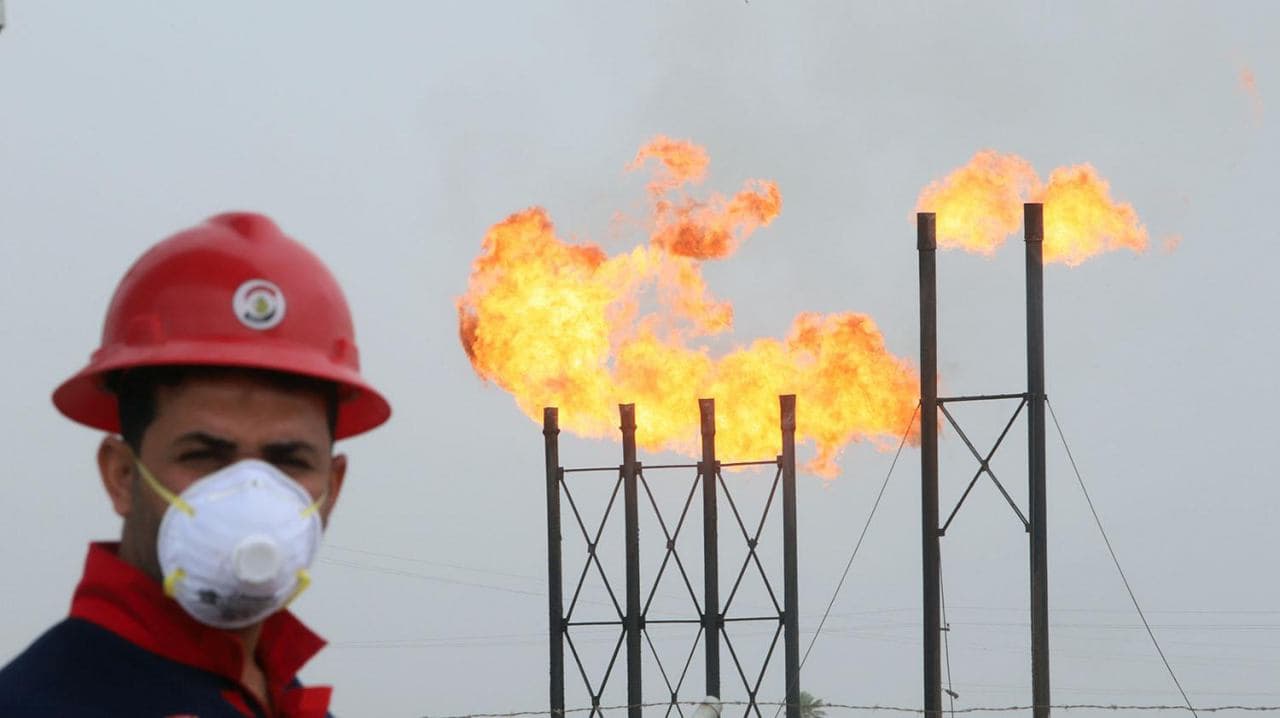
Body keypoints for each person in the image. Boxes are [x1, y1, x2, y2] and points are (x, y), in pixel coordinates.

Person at [0, 213, 392, 717]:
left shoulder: (284, 700)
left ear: (332, 489)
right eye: (204, 456)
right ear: (121, 475)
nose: (251, 498)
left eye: (288, 460)